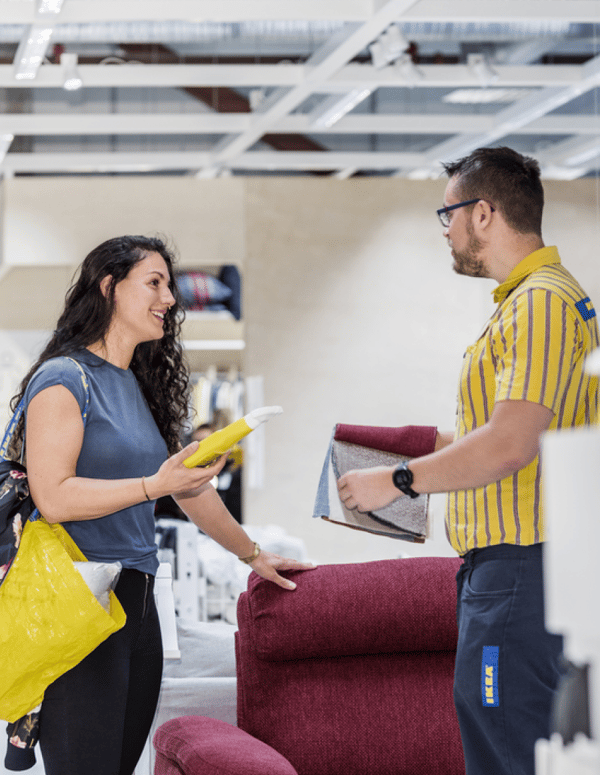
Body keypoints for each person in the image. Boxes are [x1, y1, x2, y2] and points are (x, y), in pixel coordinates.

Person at [7, 235, 314, 775]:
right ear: (109, 287)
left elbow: (187, 489)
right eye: (154, 283)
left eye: (169, 286)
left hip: (140, 597)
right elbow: (54, 497)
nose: (170, 298)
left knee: (121, 765)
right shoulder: (64, 378)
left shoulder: (138, 384)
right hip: (78, 597)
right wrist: (152, 484)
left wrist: (252, 555)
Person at [337, 147, 599, 775]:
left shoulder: (540, 303)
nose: (445, 230)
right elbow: (521, 430)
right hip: (516, 568)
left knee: (505, 743)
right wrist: (413, 444)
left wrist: (397, 481)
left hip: (522, 566)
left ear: (484, 213)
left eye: (447, 214)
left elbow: (510, 444)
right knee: (506, 738)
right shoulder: (531, 300)